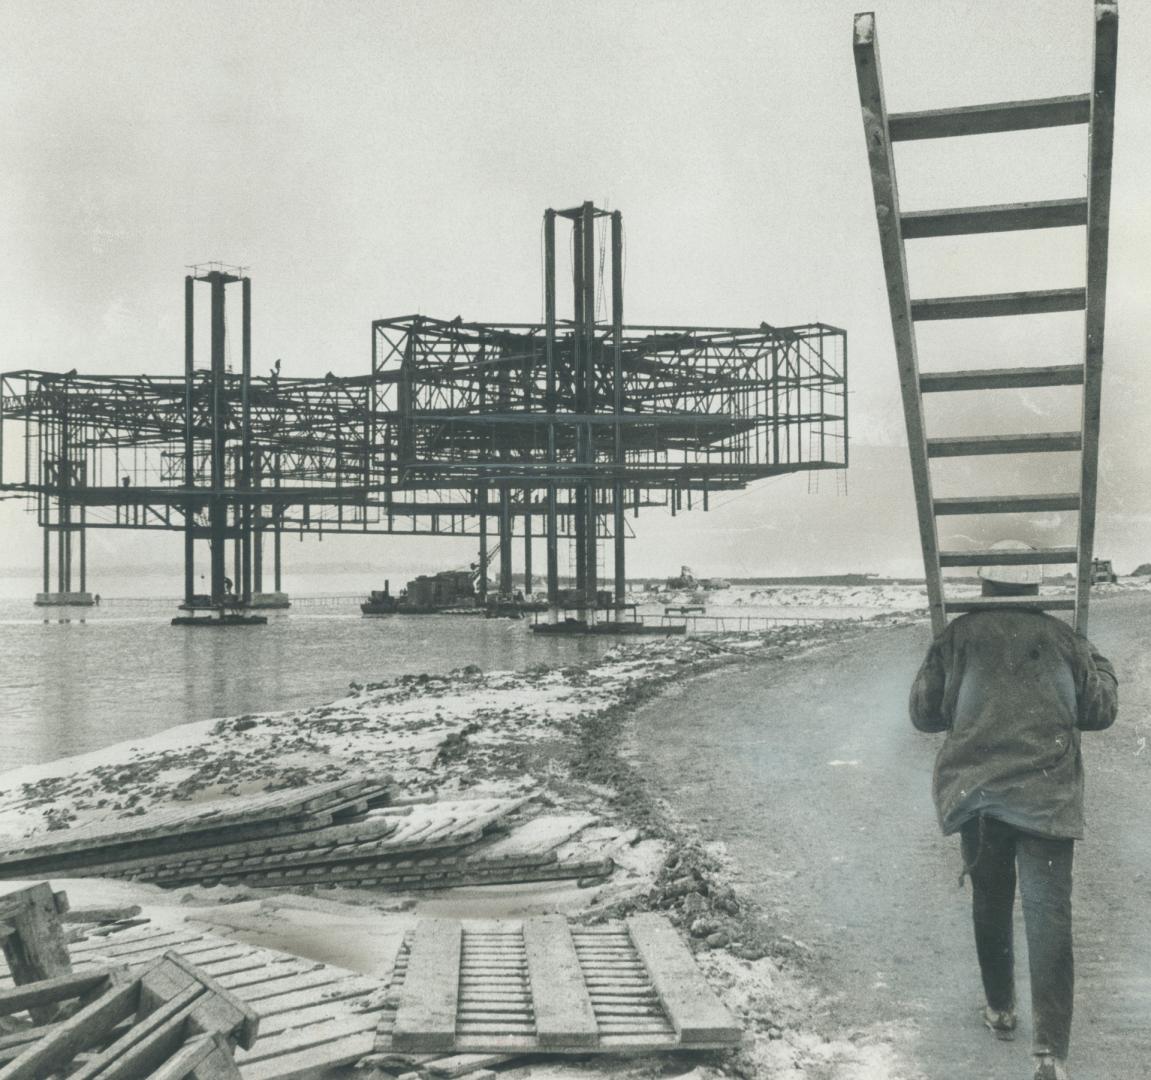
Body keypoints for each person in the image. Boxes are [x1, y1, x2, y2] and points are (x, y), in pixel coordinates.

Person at [909, 541, 1118, 1080]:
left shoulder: (956, 637)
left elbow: (925, 715)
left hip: (977, 794)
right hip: (1047, 798)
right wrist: (1099, 663)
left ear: (985, 585)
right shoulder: (1062, 638)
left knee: (991, 901)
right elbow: (1098, 712)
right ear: (1033, 586)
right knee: (1050, 916)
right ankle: (1050, 1052)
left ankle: (1001, 1009)